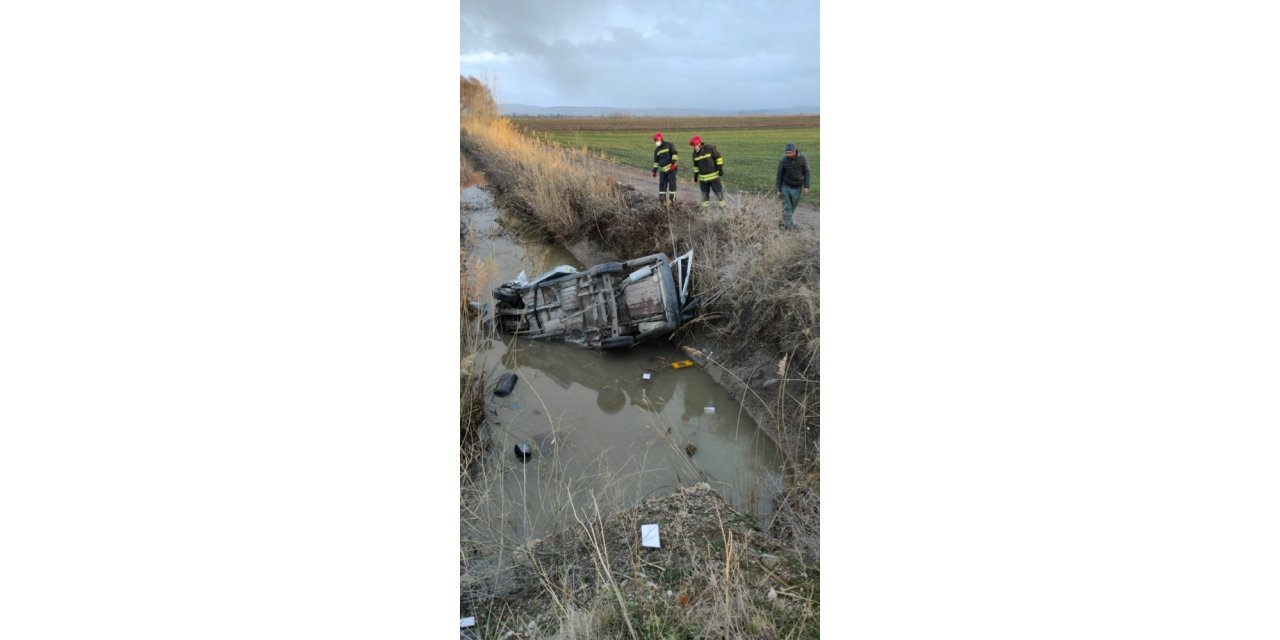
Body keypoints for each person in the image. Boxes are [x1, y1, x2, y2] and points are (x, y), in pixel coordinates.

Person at [775, 142, 810, 230]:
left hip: (797, 187)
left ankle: (783, 222)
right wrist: (778, 189)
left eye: (790, 153)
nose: (788, 155)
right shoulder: (783, 160)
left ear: (795, 151)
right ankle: (790, 227)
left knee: (792, 207)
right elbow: (779, 175)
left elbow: (807, 172)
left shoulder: (802, 158)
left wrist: (806, 186)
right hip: (786, 186)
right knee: (787, 207)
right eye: (786, 153)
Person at [689, 135, 726, 209]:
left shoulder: (709, 148)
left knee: (718, 193)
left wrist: (720, 169)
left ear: (699, 143)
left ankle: (723, 208)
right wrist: (695, 175)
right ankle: (705, 211)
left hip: (713, 178)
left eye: (695, 145)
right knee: (704, 195)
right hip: (703, 180)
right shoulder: (694, 154)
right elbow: (696, 166)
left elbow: (718, 158)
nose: (694, 147)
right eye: (693, 145)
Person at [651, 132, 678, 203]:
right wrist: (654, 170)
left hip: (671, 169)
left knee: (672, 184)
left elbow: (675, 153)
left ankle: (672, 200)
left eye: (657, 140)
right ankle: (662, 200)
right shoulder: (657, 150)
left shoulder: (669, 145)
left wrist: (673, 163)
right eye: (655, 141)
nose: (656, 142)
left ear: (661, 139)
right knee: (662, 185)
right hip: (663, 170)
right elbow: (656, 161)